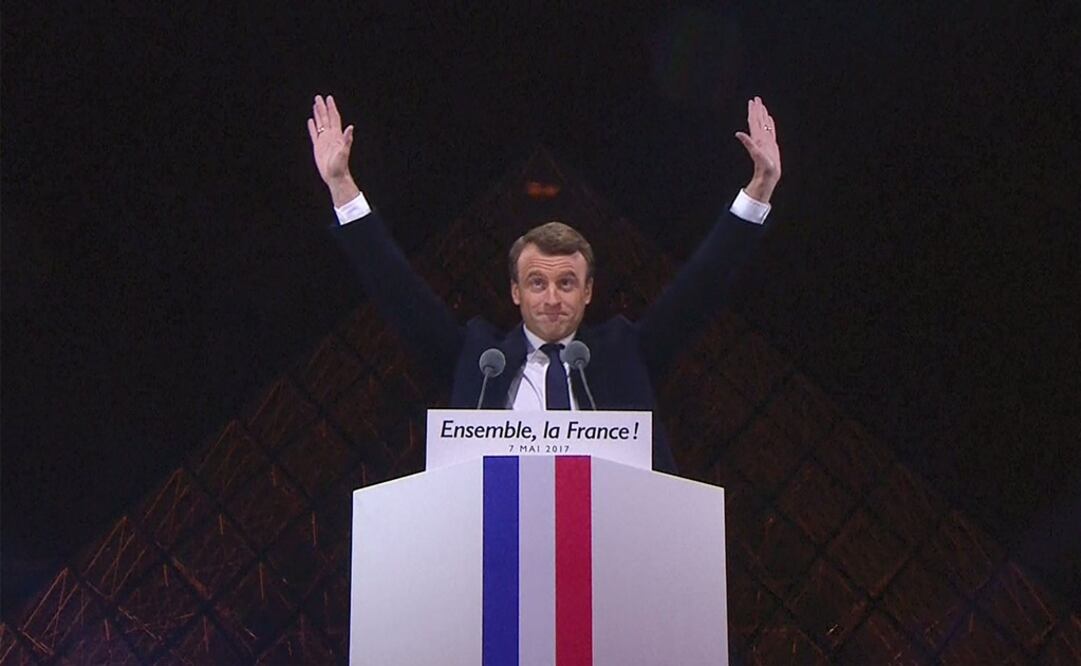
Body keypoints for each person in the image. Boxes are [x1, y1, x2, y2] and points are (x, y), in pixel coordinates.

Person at [308, 94, 781, 473]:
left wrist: (759, 188)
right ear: (515, 292)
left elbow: (699, 289)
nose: (552, 298)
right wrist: (341, 188)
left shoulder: (623, 352)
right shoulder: (479, 358)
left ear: (588, 292)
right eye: (537, 283)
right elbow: (398, 293)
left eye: (567, 283)